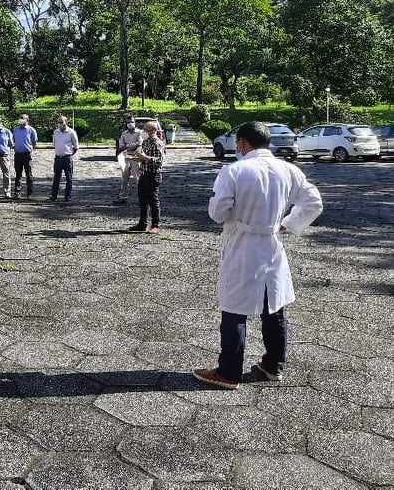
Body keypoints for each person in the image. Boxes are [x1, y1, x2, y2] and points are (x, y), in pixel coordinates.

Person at [193, 122, 324, 390]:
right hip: (272, 243)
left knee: (234, 308)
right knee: (273, 306)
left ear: (242, 143)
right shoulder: (288, 169)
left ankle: (229, 371)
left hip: (242, 243)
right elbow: (313, 203)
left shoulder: (235, 170)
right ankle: (273, 365)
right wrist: (288, 223)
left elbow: (218, 212)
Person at [129, 120, 166, 233]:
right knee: (143, 200)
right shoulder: (146, 142)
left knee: (153, 200)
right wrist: (135, 158)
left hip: (153, 175)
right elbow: (143, 157)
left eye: (147, 130)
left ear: (153, 131)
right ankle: (142, 223)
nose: (144, 132)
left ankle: (156, 225)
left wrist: (144, 157)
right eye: (144, 130)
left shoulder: (157, 143)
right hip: (144, 174)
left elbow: (158, 161)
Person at [50, 116, 79, 202]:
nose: (60, 124)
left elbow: (76, 146)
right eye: (58, 122)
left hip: (67, 158)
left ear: (66, 122)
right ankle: (54, 196)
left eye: (61, 122)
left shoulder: (71, 132)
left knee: (69, 178)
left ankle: (68, 196)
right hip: (58, 158)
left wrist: (70, 155)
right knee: (56, 178)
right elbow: (54, 144)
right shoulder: (56, 132)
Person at [115, 117, 142, 205]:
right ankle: (123, 197)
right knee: (124, 178)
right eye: (128, 122)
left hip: (135, 156)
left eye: (132, 122)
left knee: (138, 178)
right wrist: (128, 146)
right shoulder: (124, 133)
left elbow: (139, 143)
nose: (130, 123)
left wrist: (128, 145)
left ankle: (142, 197)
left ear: (135, 122)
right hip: (125, 156)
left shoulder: (139, 133)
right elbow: (121, 145)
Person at [12, 114, 38, 199]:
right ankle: (17, 192)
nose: (21, 120)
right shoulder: (16, 129)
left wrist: (30, 149)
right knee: (18, 174)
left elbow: (34, 142)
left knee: (29, 174)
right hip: (18, 154)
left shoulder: (31, 130)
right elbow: (14, 140)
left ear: (27, 120)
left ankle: (29, 193)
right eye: (20, 118)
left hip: (27, 155)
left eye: (23, 119)